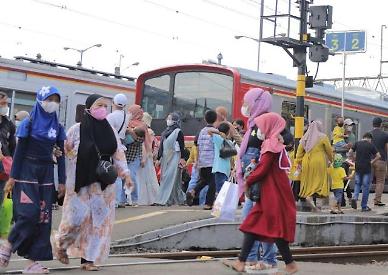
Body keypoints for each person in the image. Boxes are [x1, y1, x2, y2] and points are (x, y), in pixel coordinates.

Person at [54, 94, 132, 271]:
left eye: (105, 105)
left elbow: (118, 153)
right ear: (89, 108)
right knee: (75, 219)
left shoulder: (110, 130)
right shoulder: (76, 129)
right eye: (99, 105)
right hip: (80, 183)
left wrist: (126, 174)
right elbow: (66, 150)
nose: (103, 109)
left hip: (103, 184)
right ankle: (61, 244)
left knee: (99, 223)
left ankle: (88, 260)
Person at [0, 86, 66, 273]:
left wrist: (62, 181)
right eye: (49, 99)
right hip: (27, 172)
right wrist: (12, 178)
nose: (52, 103)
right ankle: (9, 245)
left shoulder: (57, 126)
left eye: (56, 99)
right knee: (29, 213)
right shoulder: (27, 123)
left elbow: (61, 156)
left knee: (43, 217)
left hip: (46, 173)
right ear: (40, 99)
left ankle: (32, 262)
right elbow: (19, 153)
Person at [227, 113, 298, 274]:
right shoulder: (274, 142)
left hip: (273, 192)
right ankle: (289, 264)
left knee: (256, 223)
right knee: (267, 226)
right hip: (273, 190)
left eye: (261, 126)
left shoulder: (271, 143)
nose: (259, 130)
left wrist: (249, 180)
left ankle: (242, 261)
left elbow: (264, 168)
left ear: (269, 126)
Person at [235, 88, 278, 270]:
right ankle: (253, 258)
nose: (244, 106)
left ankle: (268, 259)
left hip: (262, 182)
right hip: (251, 182)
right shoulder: (253, 124)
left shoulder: (265, 123)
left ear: (257, 103)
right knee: (250, 220)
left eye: (247, 102)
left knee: (259, 221)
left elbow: (272, 151)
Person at [186, 110, 218, 210]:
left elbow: (197, 146)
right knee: (212, 183)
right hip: (211, 161)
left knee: (204, 180)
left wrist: (198, 161)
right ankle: (208, 203)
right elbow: (217, 146)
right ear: (215, 119)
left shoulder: (201, 131)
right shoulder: (215, 132)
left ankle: (192, 192)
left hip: (202, 160)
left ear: (205, 119)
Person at [296, 120, 333, 204]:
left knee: (309, 180)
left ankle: (309, 197)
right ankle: (315, 199)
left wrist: (299, 162)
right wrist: (332, 160)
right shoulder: (323, 137)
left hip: (306, 161)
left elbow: (299, 152)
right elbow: (329, 151)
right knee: (318, 181)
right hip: (319, 161)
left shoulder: (304, 137)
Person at [154, 112, 186, 206]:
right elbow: (161, 147)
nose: (168, 120)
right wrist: (158, 159)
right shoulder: (165, 132)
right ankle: (169, 198)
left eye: (170, 118)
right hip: (165, 158)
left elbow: (181, 146)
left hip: (174, 157)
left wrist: (182, 158)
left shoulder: (178, 132)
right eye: (168, 118)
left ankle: (165, 199)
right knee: (165, 178)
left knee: (170, 178)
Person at [107, 93, 130, 208]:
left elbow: (108, 132)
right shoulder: (127, 116)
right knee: (120, 173)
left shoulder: (111, 116)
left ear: (114, 103)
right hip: (122, 144)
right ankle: (121, 199)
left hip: (112, 144)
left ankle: (114, 201)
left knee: (113, 173)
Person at [350, 132, 380, 212]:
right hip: (367, 168)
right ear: (369, 138)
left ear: (363, 137)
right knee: (366, 187)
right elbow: (378, 156)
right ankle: (364, 206)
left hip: (358, 166)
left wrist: (353, 158)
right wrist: (372, 162)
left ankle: (355, 197)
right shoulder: (371, 145)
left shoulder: (357, 143)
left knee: (357, 184)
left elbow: (350, 151)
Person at [126, 104, 148, 206]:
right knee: (123, 178)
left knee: (132, 176)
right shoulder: (126, 122)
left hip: (135, 155)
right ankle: (122, 200)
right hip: (124, 155)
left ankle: (135, 199)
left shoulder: (142, 125)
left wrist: (130, 132)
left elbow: (141, 141)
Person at [136, 112, 159, 205]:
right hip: (148, 157)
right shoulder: (148, 131)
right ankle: (152, 198)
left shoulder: (146, 131)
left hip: (144, 156)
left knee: (142, 179)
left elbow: (145, 146)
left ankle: (143, 199)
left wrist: (144, 158)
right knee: (149, 178)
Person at [0, 92, 16, 211]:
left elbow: (13, 147)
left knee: (1, 197)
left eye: (6, 103)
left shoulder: (9, 124)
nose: (5, 106)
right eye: (2, 103)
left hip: (3, 168)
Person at [209, 122, 232, 193]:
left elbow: (209, 131)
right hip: (226, 170)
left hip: (219, 169)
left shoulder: (218, 139)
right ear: (228, 132)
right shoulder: (230, 142)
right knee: (224, 192)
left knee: (219, 192)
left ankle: (219, 204)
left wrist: (219, 133)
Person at [370, 117, 388, 206]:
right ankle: (377, 200)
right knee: (380, 181)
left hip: (370, 160)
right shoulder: (385, 135)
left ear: (373, 124)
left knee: (367, 180)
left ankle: (363, 201)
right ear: (381, 124)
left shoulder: (369, 134)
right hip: (381, 160)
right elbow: (386, 148)